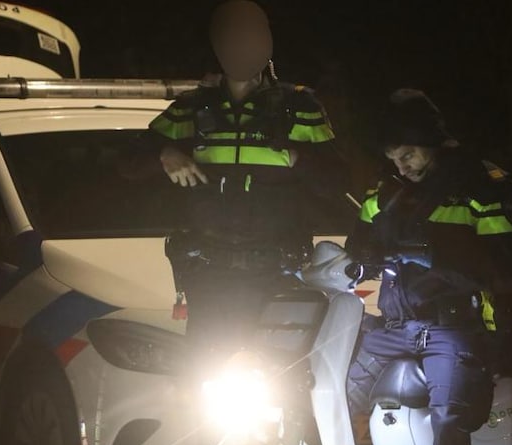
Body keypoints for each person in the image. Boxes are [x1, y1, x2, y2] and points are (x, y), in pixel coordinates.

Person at [345, 89, 512, 445]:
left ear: (432, 143)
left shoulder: (482, 185)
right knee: (328, 389)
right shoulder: (389, 190)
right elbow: (360, 238)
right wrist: (356, 258)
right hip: (396, 324)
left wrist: (437, 262)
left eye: (408, 154)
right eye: (393, 157)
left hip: (459, 328)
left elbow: (509, 269)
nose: (401, 165)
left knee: (451, 430)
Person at [123, 0, 345, 371]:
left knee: (288, 388)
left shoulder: (298, 108)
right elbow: (126, 164)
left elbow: (337, 181)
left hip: (277, 277)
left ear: (267, 43)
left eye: (250, 36)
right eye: (230, 37)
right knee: (202, 389)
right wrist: (164, 155)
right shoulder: (192, 109)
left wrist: (298, 159)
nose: (240, 45)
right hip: (212, 279)